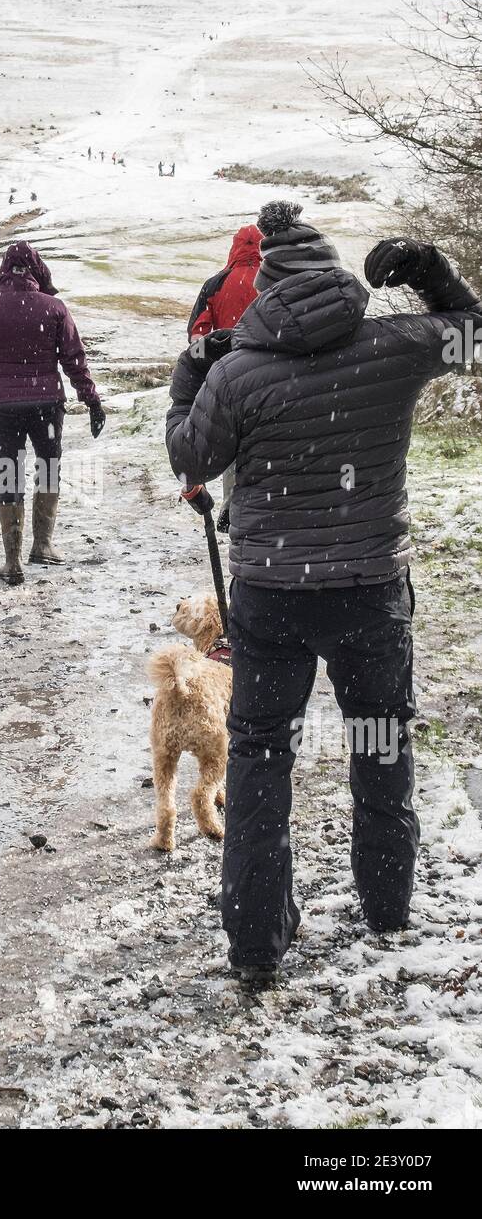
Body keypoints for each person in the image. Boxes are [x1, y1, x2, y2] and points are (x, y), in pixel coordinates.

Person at [165, 200, 482, 985]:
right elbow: (474, 336)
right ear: (341, 279)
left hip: (270, 597)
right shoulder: (395, 345)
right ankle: (385, 903)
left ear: (269, 288)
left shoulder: (238, 372)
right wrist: (433, 274)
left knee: (263, 757)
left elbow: (188, 457)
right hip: (371, 590)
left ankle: (255, 944)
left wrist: (190, 375)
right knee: (379, 741)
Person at [0, 241, 105, 583]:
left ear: (4, 269)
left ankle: (12, 560)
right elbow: (75, 361)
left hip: (2, 406)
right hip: (46, 404)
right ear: (37, 269)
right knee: (48, 468)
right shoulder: (54, 308)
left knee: (8, 473)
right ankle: (43, 545)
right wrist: (92, 401)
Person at [188, 224, 262, 531]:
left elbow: (196, 334)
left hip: (231, 376)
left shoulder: (216, 283)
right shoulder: (273, 280)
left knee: (235, 441)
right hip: (274, 374)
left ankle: (234, 503)